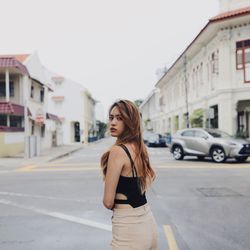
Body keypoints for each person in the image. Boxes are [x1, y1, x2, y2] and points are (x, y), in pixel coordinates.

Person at [101, 99, 158, 250]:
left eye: (120, 118)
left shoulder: (118, 151)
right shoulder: (139, 148)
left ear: (130, 122)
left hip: (128, 228)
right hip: (148, 224)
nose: (113, 122)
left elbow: (107, 201)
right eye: (111, 117)